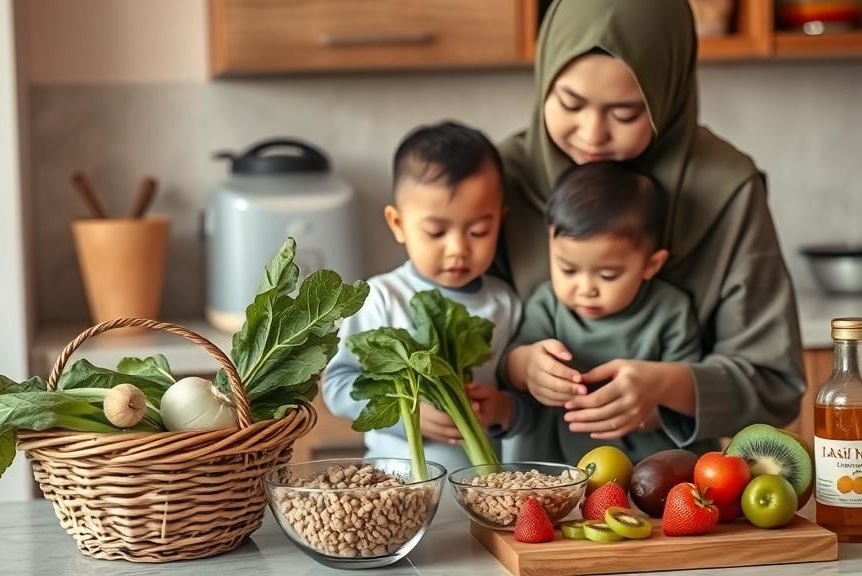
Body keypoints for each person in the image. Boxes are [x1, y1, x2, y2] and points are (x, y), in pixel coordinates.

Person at [495, 0, 806, 463]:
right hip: (532, 495)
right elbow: (460, 339)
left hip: (672, 494)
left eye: (625, 113)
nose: (592, 134)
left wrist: (668, 387)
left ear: (668, 97)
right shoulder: (502, 179)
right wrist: (518, 368)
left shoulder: (727, 191)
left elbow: (775, 385)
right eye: (570, 103)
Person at [322, 120, 533, 473]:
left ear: (501, 221)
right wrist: (407, 413)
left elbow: (529, 407)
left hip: (486, 496)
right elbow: (338, 385)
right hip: (397, 489)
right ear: (397, 224)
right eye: (436, 232)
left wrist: (502, 410)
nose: (457, 250)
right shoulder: (381, 298)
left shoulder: (507, 302)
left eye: (480, 231)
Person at [504, 160, 702, 462]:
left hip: (648, 470)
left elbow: (685, 394)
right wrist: (527, 367)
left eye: (608, 275)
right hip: (560, 469)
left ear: (651, 265)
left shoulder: (670, 310)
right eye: (568, 269)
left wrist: (648, 409)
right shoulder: (549, 304)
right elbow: (511, 361)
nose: (586, 288)